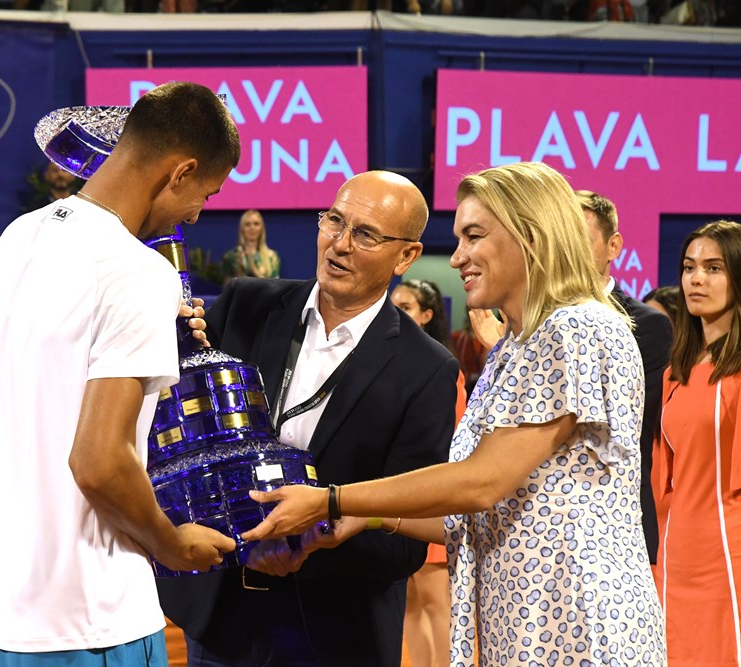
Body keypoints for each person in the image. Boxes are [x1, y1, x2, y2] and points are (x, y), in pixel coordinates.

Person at [242, 161, 666, 667]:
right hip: (528, 619)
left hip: (579, 618)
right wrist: (366, 516)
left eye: (474, 236)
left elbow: (481, 482)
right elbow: (486, 512)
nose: (458, 256)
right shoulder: (516, 347)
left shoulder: (576, 327)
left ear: (531, 236)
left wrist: (331, 499)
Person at [0, 81, 241, 665]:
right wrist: (173, 545)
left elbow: (48, 394)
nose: (194, 214)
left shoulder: (18, 236)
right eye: (205, 195)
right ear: (181, 172)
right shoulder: (140, 273)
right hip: (84, 618)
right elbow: (100, 462)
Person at [158, 171, 460, 667]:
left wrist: (308, 544)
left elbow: (407, 536)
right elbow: (182, 430)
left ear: (406, 255)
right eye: (334, 221)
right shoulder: (244, 304)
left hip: (336, 633)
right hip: (221, 619)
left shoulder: (426, 369)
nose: (340, 244)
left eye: (366, 234)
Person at [653, 219, 741, 666]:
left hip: (729, 551)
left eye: (713, 268)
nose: (696, 279)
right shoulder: (675, 373)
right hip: (675, 551)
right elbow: (664, 480)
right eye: (689, 268)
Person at [576, 189, 672, 565]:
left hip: (615, 522)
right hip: (539, 525)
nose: (568, 252)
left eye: (580, 240)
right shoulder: (529, 323)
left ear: (613, 246)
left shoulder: (646, 326)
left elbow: (616, 424)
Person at [390, 278, 462, 667]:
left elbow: (453, 444)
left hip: (434, 500)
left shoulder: (443, 368)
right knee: (411, 603)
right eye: (393, 305)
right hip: (399, 500)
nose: (395, 313)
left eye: (405, 307)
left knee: (436, 602)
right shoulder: (390, 363)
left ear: (427, 315)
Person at [221, 209, 281, 282]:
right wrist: (239, 270)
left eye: (256, 224)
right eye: (247, 224)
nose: (252, 228)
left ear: (262, 228)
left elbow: (275, 285)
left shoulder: (272, 257)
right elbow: (227, 286)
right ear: (242, 229)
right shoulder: (231, 256)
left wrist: (254, 270)